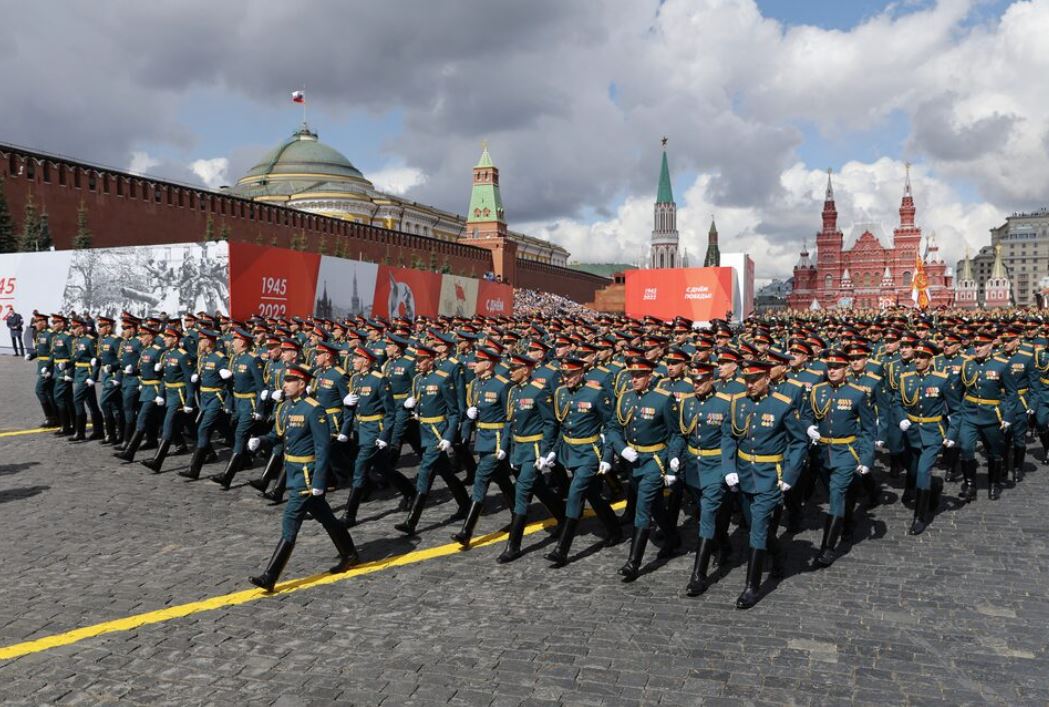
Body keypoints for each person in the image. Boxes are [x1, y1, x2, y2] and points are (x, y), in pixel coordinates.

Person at [247, 363, 359, 592]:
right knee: (325, 516)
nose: (285, 385)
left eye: (290, 381)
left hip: (307, 476)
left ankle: (270, 576)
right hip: (293, 471)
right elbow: (277, 435)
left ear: (302, 384)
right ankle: (349, 553)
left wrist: (319, 482)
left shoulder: (314, 409)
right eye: (285, 381)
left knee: (290, 521)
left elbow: (322, 448)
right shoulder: (285, 407)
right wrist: (261, 440)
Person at [721, 360, 807, 610]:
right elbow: (729, 436)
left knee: (758, 527)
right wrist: (728, 467)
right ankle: (778, 554)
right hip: (743, 474)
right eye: (747, 380)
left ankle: (751, 587)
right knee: (754, 525)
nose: (750, 385)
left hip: (770, 475)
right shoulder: (737, 403)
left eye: (755, 380)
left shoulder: (782, 405)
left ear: (768, 379)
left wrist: (790, 474)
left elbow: (799, 441)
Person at [607, 356, 684, 581]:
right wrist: (621, 448)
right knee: (655, 505)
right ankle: (672, 537)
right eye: (632, 375)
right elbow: (613, 427)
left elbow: (676, 434)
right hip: (632, 460)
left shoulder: (663, 399)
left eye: (639, 375)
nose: (634, 379)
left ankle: (633, 563)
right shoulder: (625, 397)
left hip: (654, 460)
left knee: (643, 507)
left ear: (649, 376)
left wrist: (672, 462)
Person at [545, 358, 622, 568]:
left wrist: (607, 457)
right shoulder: (560, 393)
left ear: (581, 373)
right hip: (570, 452)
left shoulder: (596, 393)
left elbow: (611, 426)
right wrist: (553, 451)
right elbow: (563, 426)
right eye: (564, 374)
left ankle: (561, 550)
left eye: (570, 374)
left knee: (575, 493)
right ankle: (615, 529)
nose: (566, 378)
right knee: (593, 494)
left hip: (590, 453)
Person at [497, 353, 566, 563]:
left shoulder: (539, 391)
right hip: (518, 448)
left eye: (514, 368)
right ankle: (563, 516)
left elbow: (550, 423)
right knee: (538, 488)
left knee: (522, 492)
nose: (510, 372)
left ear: (526, 370)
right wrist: (507, 448)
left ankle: (513, 546)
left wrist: (545, 452)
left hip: (534, 450)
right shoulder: (513, 391)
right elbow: (511, 422)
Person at [395, 344, 470, 535]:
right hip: (424, 430)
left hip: (438, 432)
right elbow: (417, 402)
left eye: (421, 360)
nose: (417, 363)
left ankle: (411, 521)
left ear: (431, 360)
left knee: (425, 470)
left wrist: (448, 436)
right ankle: (465, 504)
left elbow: (453, 412)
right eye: (417, 360)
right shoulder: (418, 379)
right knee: (445, 472)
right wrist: (408, 405)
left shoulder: (443, 379)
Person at [895, 342, 958, 535]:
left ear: (931, 360)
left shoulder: (942, 380)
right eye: (916, 356)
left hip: (932, 432)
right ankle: (935, 486)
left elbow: (956, 410)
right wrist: (902, 418)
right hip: (911, 432)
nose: (918, 360)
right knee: (914, 472)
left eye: (922, 357)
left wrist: (951, 434)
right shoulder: (905, 379)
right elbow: (897, 402)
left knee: (923, 471)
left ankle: (920, 518)